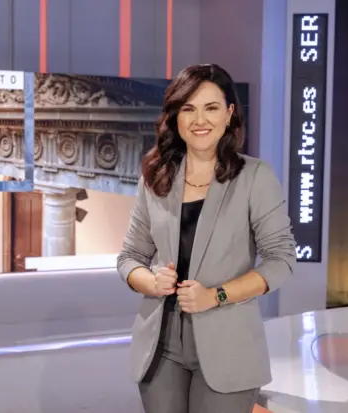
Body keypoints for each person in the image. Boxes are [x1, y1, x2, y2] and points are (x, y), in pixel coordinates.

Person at [116, 64, 296, 413]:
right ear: (175, 117)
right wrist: (151, 282)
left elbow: (282, 259)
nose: (200, 120)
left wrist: (216, 295)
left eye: (211, 107)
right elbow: (129, 257)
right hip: (161, 346)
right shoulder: (155, 177)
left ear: (229, 114)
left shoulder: (255, 177)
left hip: (229, 345)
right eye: (188, 108)